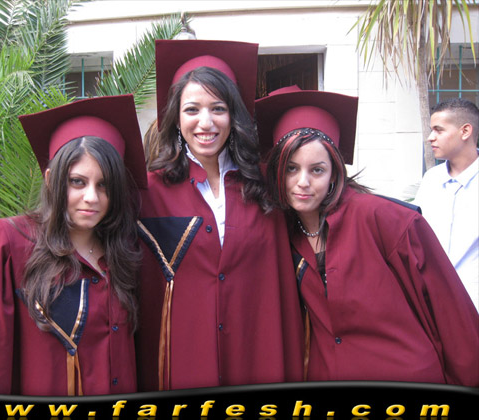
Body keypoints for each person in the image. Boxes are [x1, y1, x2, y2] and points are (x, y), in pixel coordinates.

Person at [258, 86, 479, 386]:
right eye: (291, 169)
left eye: (317, 170)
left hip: (403, 376)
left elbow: (450, 312)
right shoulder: (282, 233)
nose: (303, 182)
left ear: (334, 172)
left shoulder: (386, 219)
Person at [0, 95, 147, 396]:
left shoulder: (123, 253)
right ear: (51, 179)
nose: (92, 197)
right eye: (77, 181)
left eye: (104, 185)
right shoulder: (10, 243)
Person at [136, 40, 305, 391]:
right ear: (175, 117)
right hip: (183, 359)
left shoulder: (266, 187)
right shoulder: (148, 194)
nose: (206, 122)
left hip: (255, 352)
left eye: (218, 108)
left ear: (233, 115)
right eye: (192, 110)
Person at [414, 98, 478, 311]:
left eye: (439, 130)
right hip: (432, 304)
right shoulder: (431, 179)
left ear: (465, 131)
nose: (430, 137)